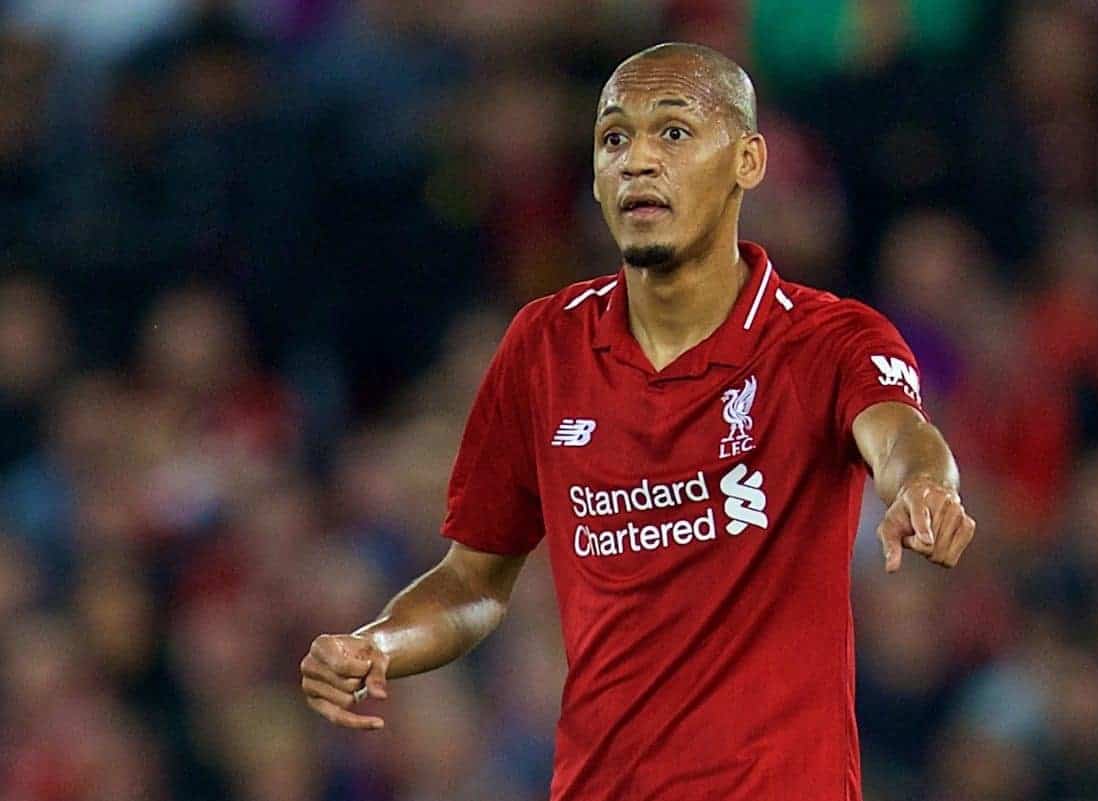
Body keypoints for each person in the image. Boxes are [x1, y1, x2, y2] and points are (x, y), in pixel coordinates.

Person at [300, 42, 976, 801]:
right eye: (614, 138)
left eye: (675, 133)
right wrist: (378, 642)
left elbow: (899, 432)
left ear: (748, 160)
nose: (637, 161)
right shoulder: (544, 345)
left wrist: (923, 486)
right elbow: (472, 582)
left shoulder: (827, 339)